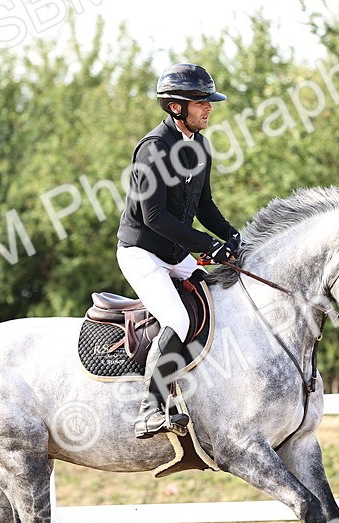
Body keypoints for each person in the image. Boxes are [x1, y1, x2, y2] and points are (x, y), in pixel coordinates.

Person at [117, 63, 242, 440]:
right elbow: (153, 217)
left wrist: (232, 236)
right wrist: (207, 246)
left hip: (173, 254)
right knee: (180, 320)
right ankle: (150, 409)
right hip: (142, 252)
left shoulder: (199, 145)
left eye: (209, 101)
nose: (209, 108)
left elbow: (205, 206)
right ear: (176, 107)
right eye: (200, 102)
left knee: (218, 297)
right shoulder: (153, 149)